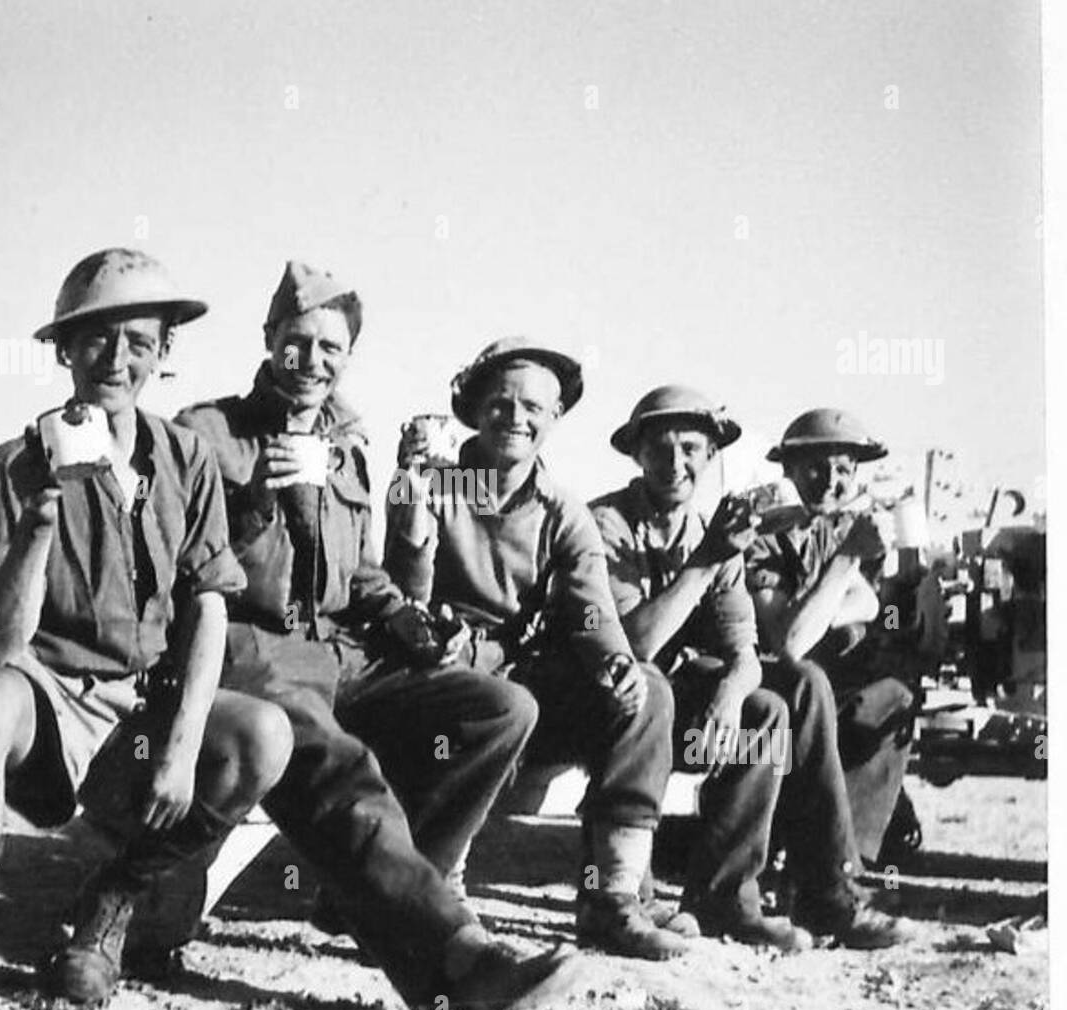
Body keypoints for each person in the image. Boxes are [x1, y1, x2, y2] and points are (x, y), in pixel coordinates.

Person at [0, 248, 295, 1010]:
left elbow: (208, 603)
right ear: (63, 351)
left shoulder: (187, 459)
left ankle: (109, 906)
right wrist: (42, 521)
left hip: (143, 708)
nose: (114, 361)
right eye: (93, 341)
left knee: (262, 737)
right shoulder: (14, 466)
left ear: (165, 353)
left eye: (136, 341)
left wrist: (183, 742)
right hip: (46, 697)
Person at [175, 265, 582, 1010]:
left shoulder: (348, 443)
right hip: (254, 647)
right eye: (297, 343)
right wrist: (259, 496)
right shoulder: (207, 432)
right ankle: (458, 960)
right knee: (340, 769)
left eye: (331, 348)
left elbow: (358, 571)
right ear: (268, 342)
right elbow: (186, 562)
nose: (313, 361)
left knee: (499, 707)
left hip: (344, 648)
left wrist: (403, 618)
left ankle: (371, 897)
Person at [383, 338, 693, 962]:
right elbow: (402, 598)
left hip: (519, 681)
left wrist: (613, 659)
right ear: (472, 409)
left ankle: (611, 899)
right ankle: (438, 891)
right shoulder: (436, 481)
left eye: (533, 408)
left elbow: (589, 607)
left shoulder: (562, 510)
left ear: (554, 420)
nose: (515, 419)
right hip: (436, 673)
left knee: (647, 691)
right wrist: (413, 511)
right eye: (499, 403)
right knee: (489, 702)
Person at [591, 386, 909, 950]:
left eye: (691, 448)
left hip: (681, 692)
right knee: (683, 687)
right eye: (660, 449)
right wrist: (710, 558)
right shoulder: (609, 524)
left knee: (774, 704)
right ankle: (633, 894)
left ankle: (750, 895)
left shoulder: (714, 529)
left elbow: (744, 646)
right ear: (636, 455)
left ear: (712, 456)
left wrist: (732, 692)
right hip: (613, 697)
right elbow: (636, 644)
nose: (675, 463)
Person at [748, 408, 917, 868]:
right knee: (808, 683)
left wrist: (820, 605)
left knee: (893, 697)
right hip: (776, 688)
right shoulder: (763, 536)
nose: (830, 481)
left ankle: (850, 859)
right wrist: (844, 564)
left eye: (843, 469)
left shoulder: (836, 530)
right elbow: (790, 644)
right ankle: (810, 853)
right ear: (788, 471)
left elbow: (870, 605)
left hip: (830, 686)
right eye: (815, 467)